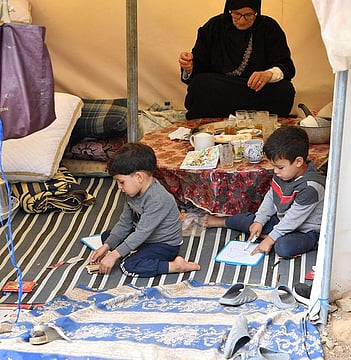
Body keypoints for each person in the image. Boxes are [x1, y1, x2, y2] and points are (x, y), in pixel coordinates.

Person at [202, 126, 324, 258]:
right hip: (282, 220)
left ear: (298, 161)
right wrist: (259, 220)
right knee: (251, 224)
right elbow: (272, 196)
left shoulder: (311, 186)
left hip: (307, 231)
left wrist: (271, 239)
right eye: (274, 166)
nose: (275, 171)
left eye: (279, 167)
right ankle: (223, 222)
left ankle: (279, 238)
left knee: (283, 248)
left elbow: (293, 219)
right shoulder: (284, 173)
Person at [89, 143, 200, 277]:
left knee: (128, 266)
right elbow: (125, 223)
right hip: (145, 238)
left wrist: (114, 255)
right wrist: (106, 247)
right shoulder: (132, 194)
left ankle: (175, 266)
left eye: (121, 182)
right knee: (107, 237)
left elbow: (142, 233)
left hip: (164, 245)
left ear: (139, 177)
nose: (119, 187)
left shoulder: (157, 199)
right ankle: (132, 252)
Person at [178, 0, 296, 120]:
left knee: (285, 90)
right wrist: (189, 67)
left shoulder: (269, 27)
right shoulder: (214, 26)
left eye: (248, 15)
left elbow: (286, 65)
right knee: (200, 84)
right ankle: (250, 112)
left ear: (256, 12)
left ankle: (223, 111)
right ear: (229, 11)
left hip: (256, 89)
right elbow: (198, 64)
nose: (242, 20)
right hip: (222, 87)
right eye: (237, 14)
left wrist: (269, 74)